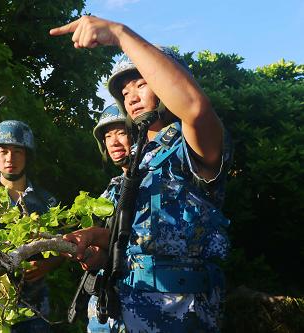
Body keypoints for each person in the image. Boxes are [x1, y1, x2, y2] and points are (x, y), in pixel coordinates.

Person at [51, 16, 232, 332]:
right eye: (123, 91)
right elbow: (142, 240)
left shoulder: (190, 148)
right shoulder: (137, 166)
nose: (130, 96)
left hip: (179, 317)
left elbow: (195, 108)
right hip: (124, 313)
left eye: (141, 83)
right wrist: (100, 242)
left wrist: (120, 34)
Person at [0, 120, 63, 332]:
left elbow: (65, 248)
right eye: (4, 151)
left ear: (27, 155)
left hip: (34, 311)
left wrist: (47, 264)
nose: (10, 158)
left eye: (18, 151)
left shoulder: (47, 202)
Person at [87, 104, 130, 333]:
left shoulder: (156, 183)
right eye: (107, 136)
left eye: (121, 132)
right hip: (106, 309)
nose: (113, 142)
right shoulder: (112, 189)